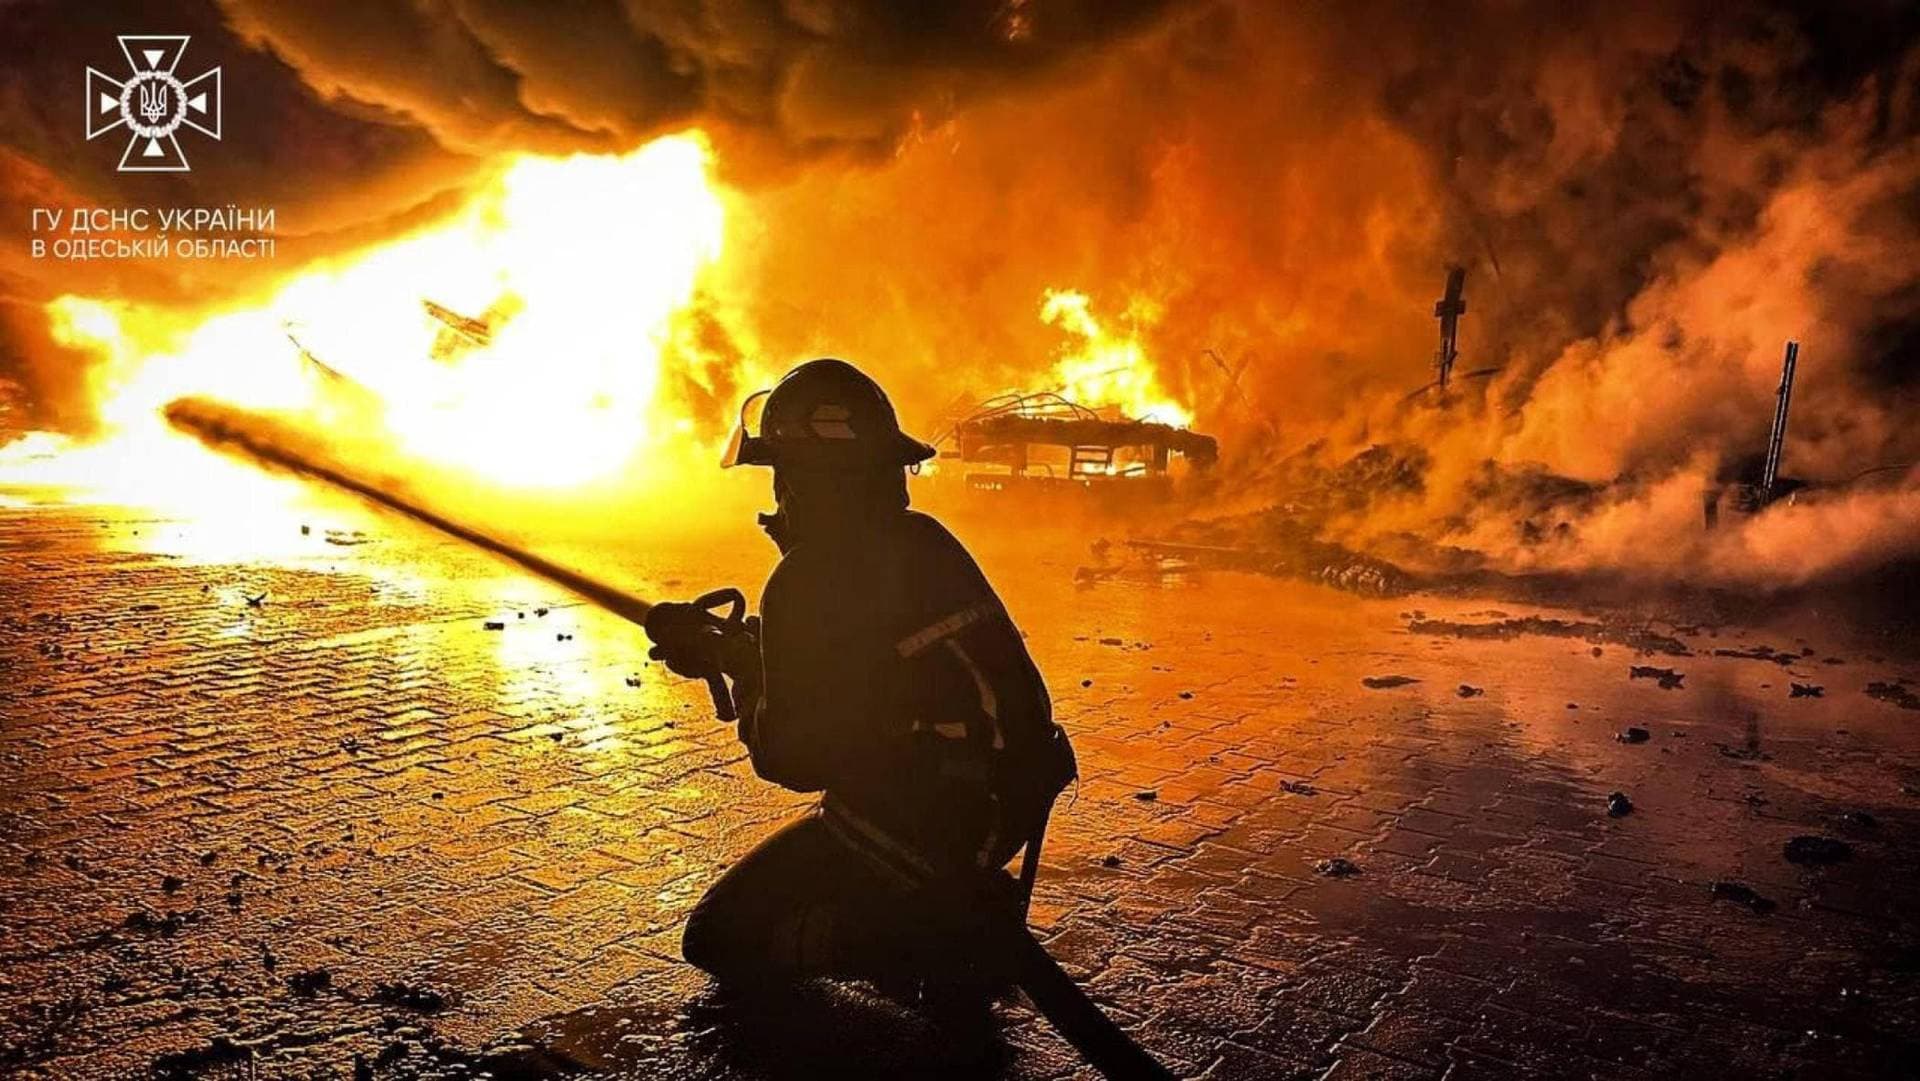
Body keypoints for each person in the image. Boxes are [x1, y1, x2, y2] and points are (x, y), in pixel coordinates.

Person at [644, 358, 1076, 997]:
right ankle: (943, 899)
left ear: (806, 480)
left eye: (781, 473)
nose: (777, 494)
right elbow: (868, 661)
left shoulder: (810, 577)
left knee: (718, 937)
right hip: (1003, 797)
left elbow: (794, 758)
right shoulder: (919, 539)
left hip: (919, 817)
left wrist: (742, 674)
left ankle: (936, 931)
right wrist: (758, 650)